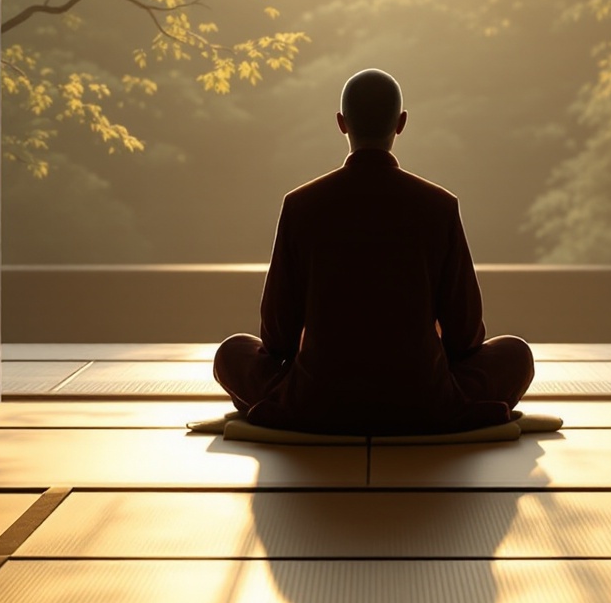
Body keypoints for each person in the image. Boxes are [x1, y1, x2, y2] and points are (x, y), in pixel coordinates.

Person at [213, 68, 535, 434]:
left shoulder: (301, 205)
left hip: (316, 402)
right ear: (401, 123)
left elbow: (276, 338)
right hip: (423, 401)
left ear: (341, 123)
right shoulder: (438, 206)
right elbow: (465, 338)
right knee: (515, 355)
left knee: (232, 352)